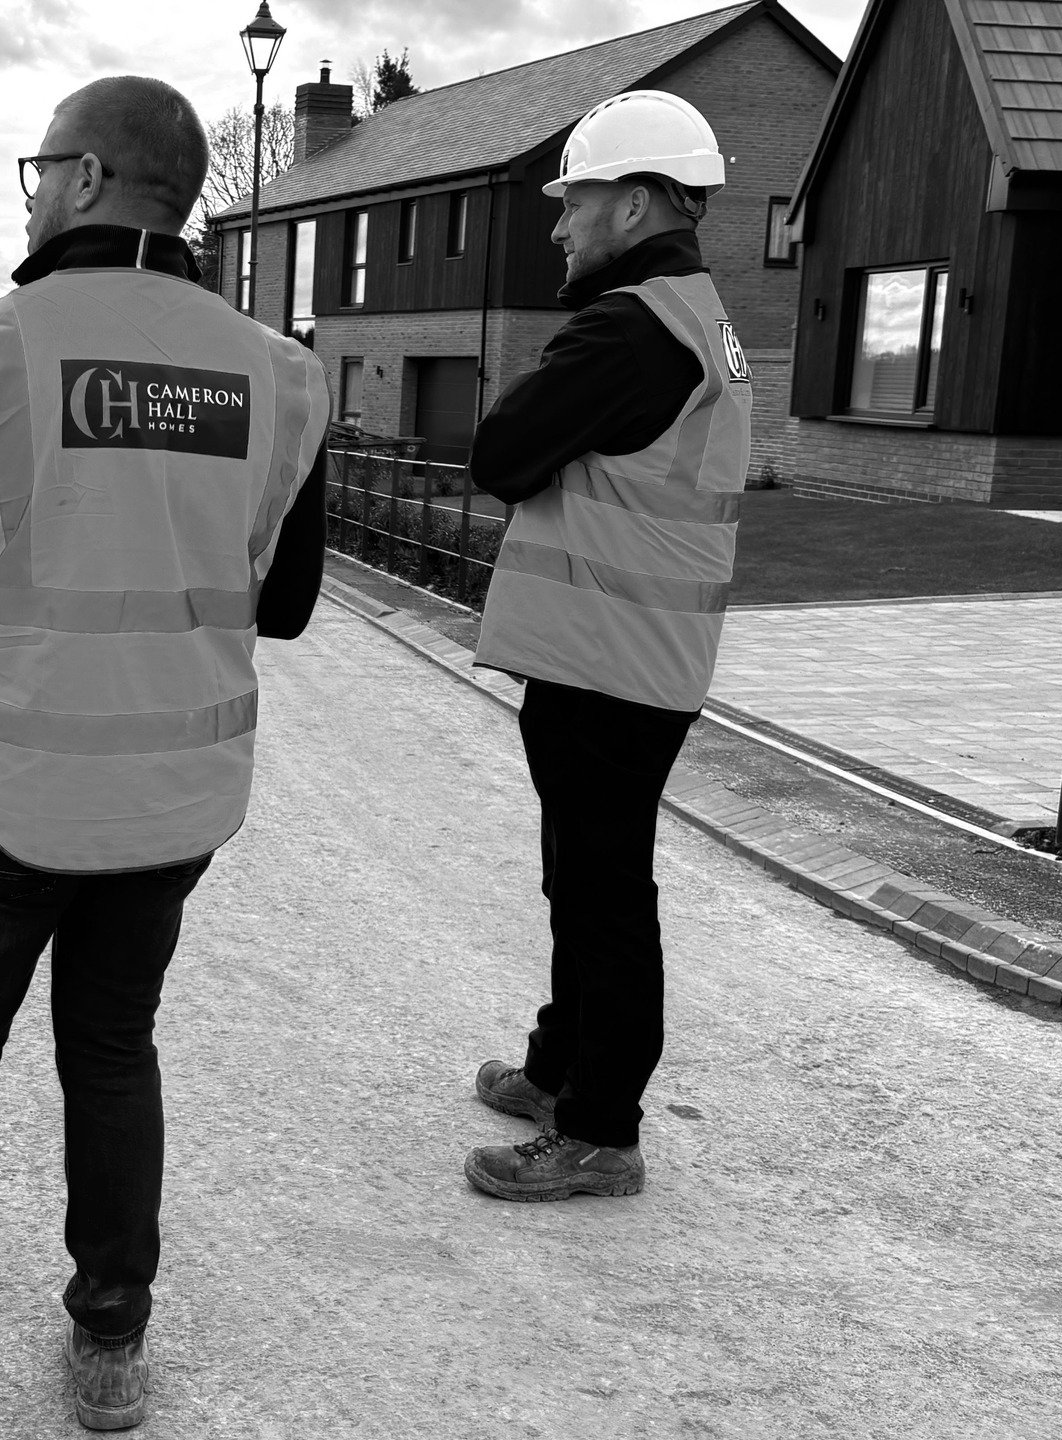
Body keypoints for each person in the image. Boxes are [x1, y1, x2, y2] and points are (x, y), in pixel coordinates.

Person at [0, 75, 330, 1439]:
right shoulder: (278, 372)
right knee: (113, 1048)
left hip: (13, 784)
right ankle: (110, 1354)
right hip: (177, 792)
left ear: (86, 181)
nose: (29, 193)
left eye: (40, 170)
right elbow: (284, 601)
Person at [460, 90, 750, 1203]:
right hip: (641, 655)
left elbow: (501, 451)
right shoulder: (696, 318)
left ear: (631, 203)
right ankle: (557, 1069)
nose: (557, 226)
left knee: (601, 892)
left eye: (571, 201)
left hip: (608, 661)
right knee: (582, 877)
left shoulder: (628, 324)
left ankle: (599, 1129)